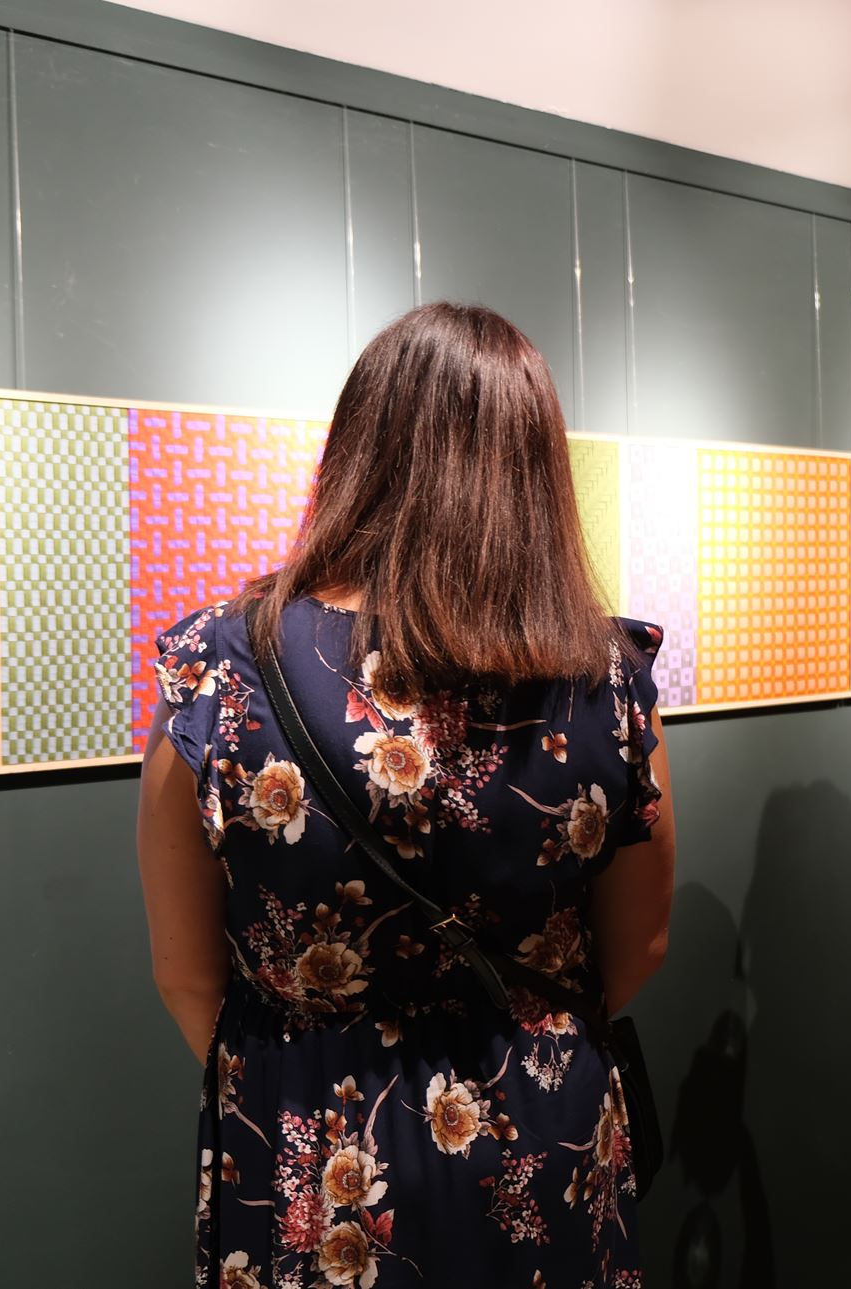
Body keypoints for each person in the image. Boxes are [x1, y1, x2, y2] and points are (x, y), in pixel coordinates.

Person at [136, 303, 677, 1289]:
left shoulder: (224, 667)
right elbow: (638, 946)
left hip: (311, 1146)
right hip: (544, 1129)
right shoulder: (604, 679)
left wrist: (309, 1057)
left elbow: (183, 974)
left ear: (359, 449)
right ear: (534, 469)